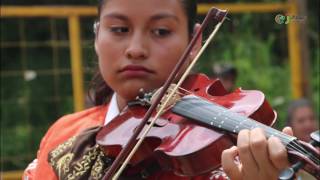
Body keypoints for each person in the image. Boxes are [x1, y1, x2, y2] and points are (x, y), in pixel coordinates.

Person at [23, 0, 294, 179]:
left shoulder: (227, 160)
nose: (136, 49)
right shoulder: (62, 134)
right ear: (96, 37)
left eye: (161, 31)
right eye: (119, 29)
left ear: (194, 41)